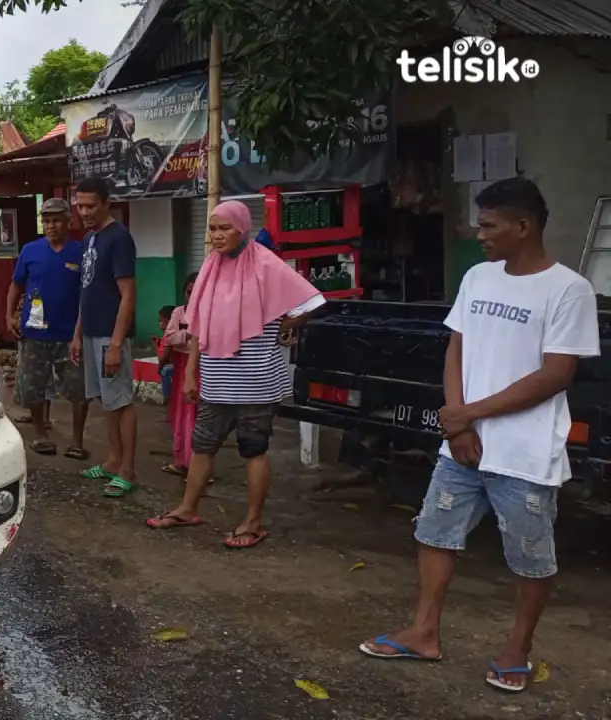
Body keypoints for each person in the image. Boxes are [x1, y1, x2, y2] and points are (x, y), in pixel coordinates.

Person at [359, 178, 599, 693]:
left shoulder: (568, 289)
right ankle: (424, 631)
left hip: (525, 453)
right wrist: (458, 419)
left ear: (523, 226)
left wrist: (469, 415)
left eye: (488, 225)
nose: (478, 233)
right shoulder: (478, 277)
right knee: (434, 532)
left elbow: (555, 375)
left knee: (531, 557)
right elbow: (456, 351)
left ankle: (517, 649)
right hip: (462, 444)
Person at [146, 201, 323, 547]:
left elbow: (313, 301)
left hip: (256, 380)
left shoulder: (267, 264)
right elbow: (198, 326)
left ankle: (253, 523)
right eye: (212, 228)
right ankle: (187, 509)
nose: (215, 235)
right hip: (215, 379)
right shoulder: (211, 269)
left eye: (224, 228)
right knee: (203, 444)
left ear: (242, 228)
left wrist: (288, 322)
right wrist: (192, 374)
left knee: (253, 449)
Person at [69, 177, 138, 498]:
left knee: (121, 402)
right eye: (80, 205)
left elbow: (127, 296)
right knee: (106, 401)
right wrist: (77, 334)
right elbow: (86, 291)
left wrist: (115, 343)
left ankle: (128, 469)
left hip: (112, 335)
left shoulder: (119, 238)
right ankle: (113, 460)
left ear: (106, 203)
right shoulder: (89, 239)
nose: (84, 211)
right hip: (92, 332)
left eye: (90, 206)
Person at [6, 197, 89, 460]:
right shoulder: (31, 250)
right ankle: (41, 435)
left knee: (78, 390)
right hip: (34, 332)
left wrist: (80, 330)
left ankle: (77, 441)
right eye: (47, 221)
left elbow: (87, 294)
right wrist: (9, 315)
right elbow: (16, 285)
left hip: (69, 335)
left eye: (56, 221)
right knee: (34, 386)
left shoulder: (81, 251)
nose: (51, 226)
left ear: (69, 222)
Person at [159, 272, 199, 477]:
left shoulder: (210, 312)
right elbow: (170, 337)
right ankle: (181, 460)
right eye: (188, 292)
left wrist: (186, 337)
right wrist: (189, 335)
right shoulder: (178, 312)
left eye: (196, 291)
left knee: (198, 418)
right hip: (182, 366)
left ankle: (198, 467)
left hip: (205, 368)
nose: (192, 296)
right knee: (180, 414)